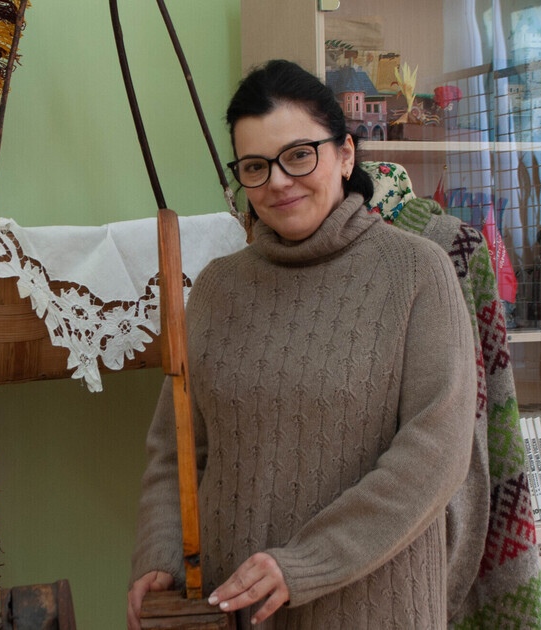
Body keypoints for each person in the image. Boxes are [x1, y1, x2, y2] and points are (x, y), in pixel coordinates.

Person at [127, 59, 477, 629]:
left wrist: (305, 564)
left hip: (375, 611)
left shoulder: (418, 272)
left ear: (345, 154)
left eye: (298, 155)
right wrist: (159, 556)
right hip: (235, 609)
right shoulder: (217, 287)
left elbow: (436, 455)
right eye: (255, 166)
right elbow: (176, 449)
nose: (278, 182)